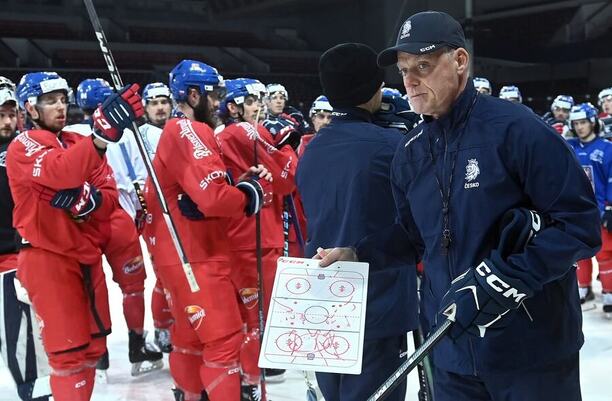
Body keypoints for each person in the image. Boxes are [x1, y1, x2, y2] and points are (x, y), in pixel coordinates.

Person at [321, 11, 601, 401]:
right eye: (403, 70)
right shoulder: (410, 152)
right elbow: (416, 237)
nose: (410, 80)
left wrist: (506, 280)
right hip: (451, 353)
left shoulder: (518, 130)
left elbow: (579, 226)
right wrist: (357, 252)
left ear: (459, 61)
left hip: (531, 354)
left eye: (423, 64)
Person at [6, 71, 144, 401]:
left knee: (92, 348)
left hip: (86, 256)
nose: (60, 107)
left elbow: (109, 194)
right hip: (47, 258)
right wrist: (101, 138)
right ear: (31, 108)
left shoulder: (76, 142)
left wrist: (91, 199)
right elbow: (60, 171)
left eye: (62, 100)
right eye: (50, 101)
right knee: (67, 354)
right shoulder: (22, 146)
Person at [143, 59, 272, 401]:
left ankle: (190, 395)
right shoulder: (188, 129)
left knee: (189, 341)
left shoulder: (177, 132)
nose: (219, 103)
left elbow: (200, 194)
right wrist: (246, 196)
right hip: (196, 256)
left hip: (180, 255)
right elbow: (213, 197)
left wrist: (236, 186)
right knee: (224, 340)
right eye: (214, 95)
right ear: (194, 94)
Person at [296, 42, 418, 401]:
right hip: (377, 298)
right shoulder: (392, 146)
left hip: (322, 296)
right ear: (375, 89)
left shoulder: (311, 148)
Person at [70, 78, 163, 377]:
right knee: (133, 288)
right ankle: (137, 347)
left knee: (88, 286)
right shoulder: (128, 134)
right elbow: (140, 179)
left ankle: (98, 353)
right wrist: (142, 211)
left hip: (82, 219)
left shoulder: (69, 135)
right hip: (119, 216)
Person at [215, 77, 298, 398]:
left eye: (259, 100)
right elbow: (288, 178)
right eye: (250, 101)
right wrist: (288, 146)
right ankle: (250, 381)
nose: (258, 107)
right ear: (233, 107)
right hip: (256, 237)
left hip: (238, 237)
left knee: (245, 317)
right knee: (255, 318)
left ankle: (241, 377)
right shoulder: (244, 132)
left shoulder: (224, 134)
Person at [0, 76, 52, 401]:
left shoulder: (25, 149)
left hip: (13, 267)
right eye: (0, 114)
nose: (7, 121)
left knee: (27, 360)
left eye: (10, 113)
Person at [137, 81, 175, 353]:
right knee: (164, 277)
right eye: (154, 102)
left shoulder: (180, 130)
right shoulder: (137, 136)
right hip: (155, 217)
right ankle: (162, 327)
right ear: (145, 107)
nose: (160, 107)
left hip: (181, 215)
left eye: (164, 101)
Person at [566, 103, 612, 313]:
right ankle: (583, 288)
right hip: (577, 210)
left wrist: (610, 207)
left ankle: (609, 292)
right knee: (580, 253)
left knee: (605, 253)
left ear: (593, 122)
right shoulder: (569, 147)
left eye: (583, 122)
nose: (580, 127)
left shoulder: (606, 147)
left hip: (600, 209)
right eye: (576, 123)